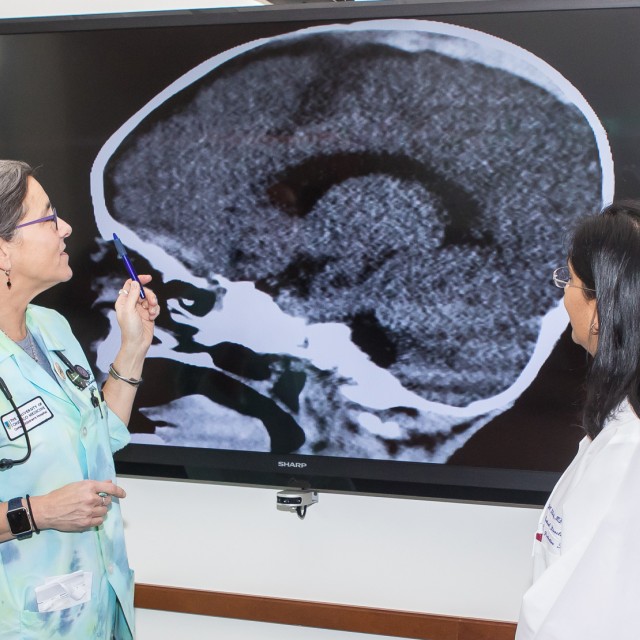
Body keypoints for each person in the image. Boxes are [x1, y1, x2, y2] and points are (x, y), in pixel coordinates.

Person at [0, 160, 160, 639]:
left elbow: (98, 439)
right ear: (3, 250)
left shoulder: (52, 327)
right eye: (48, 217)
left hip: (96, 608)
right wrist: (39, 512)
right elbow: (47, 502)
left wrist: (133, 346)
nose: (66, 227)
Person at [516, 202, 640, 639]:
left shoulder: (629, 455)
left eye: (569, 279)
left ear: (603, 308)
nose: (563, 291)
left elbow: (581, 621)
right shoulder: (619, 429)